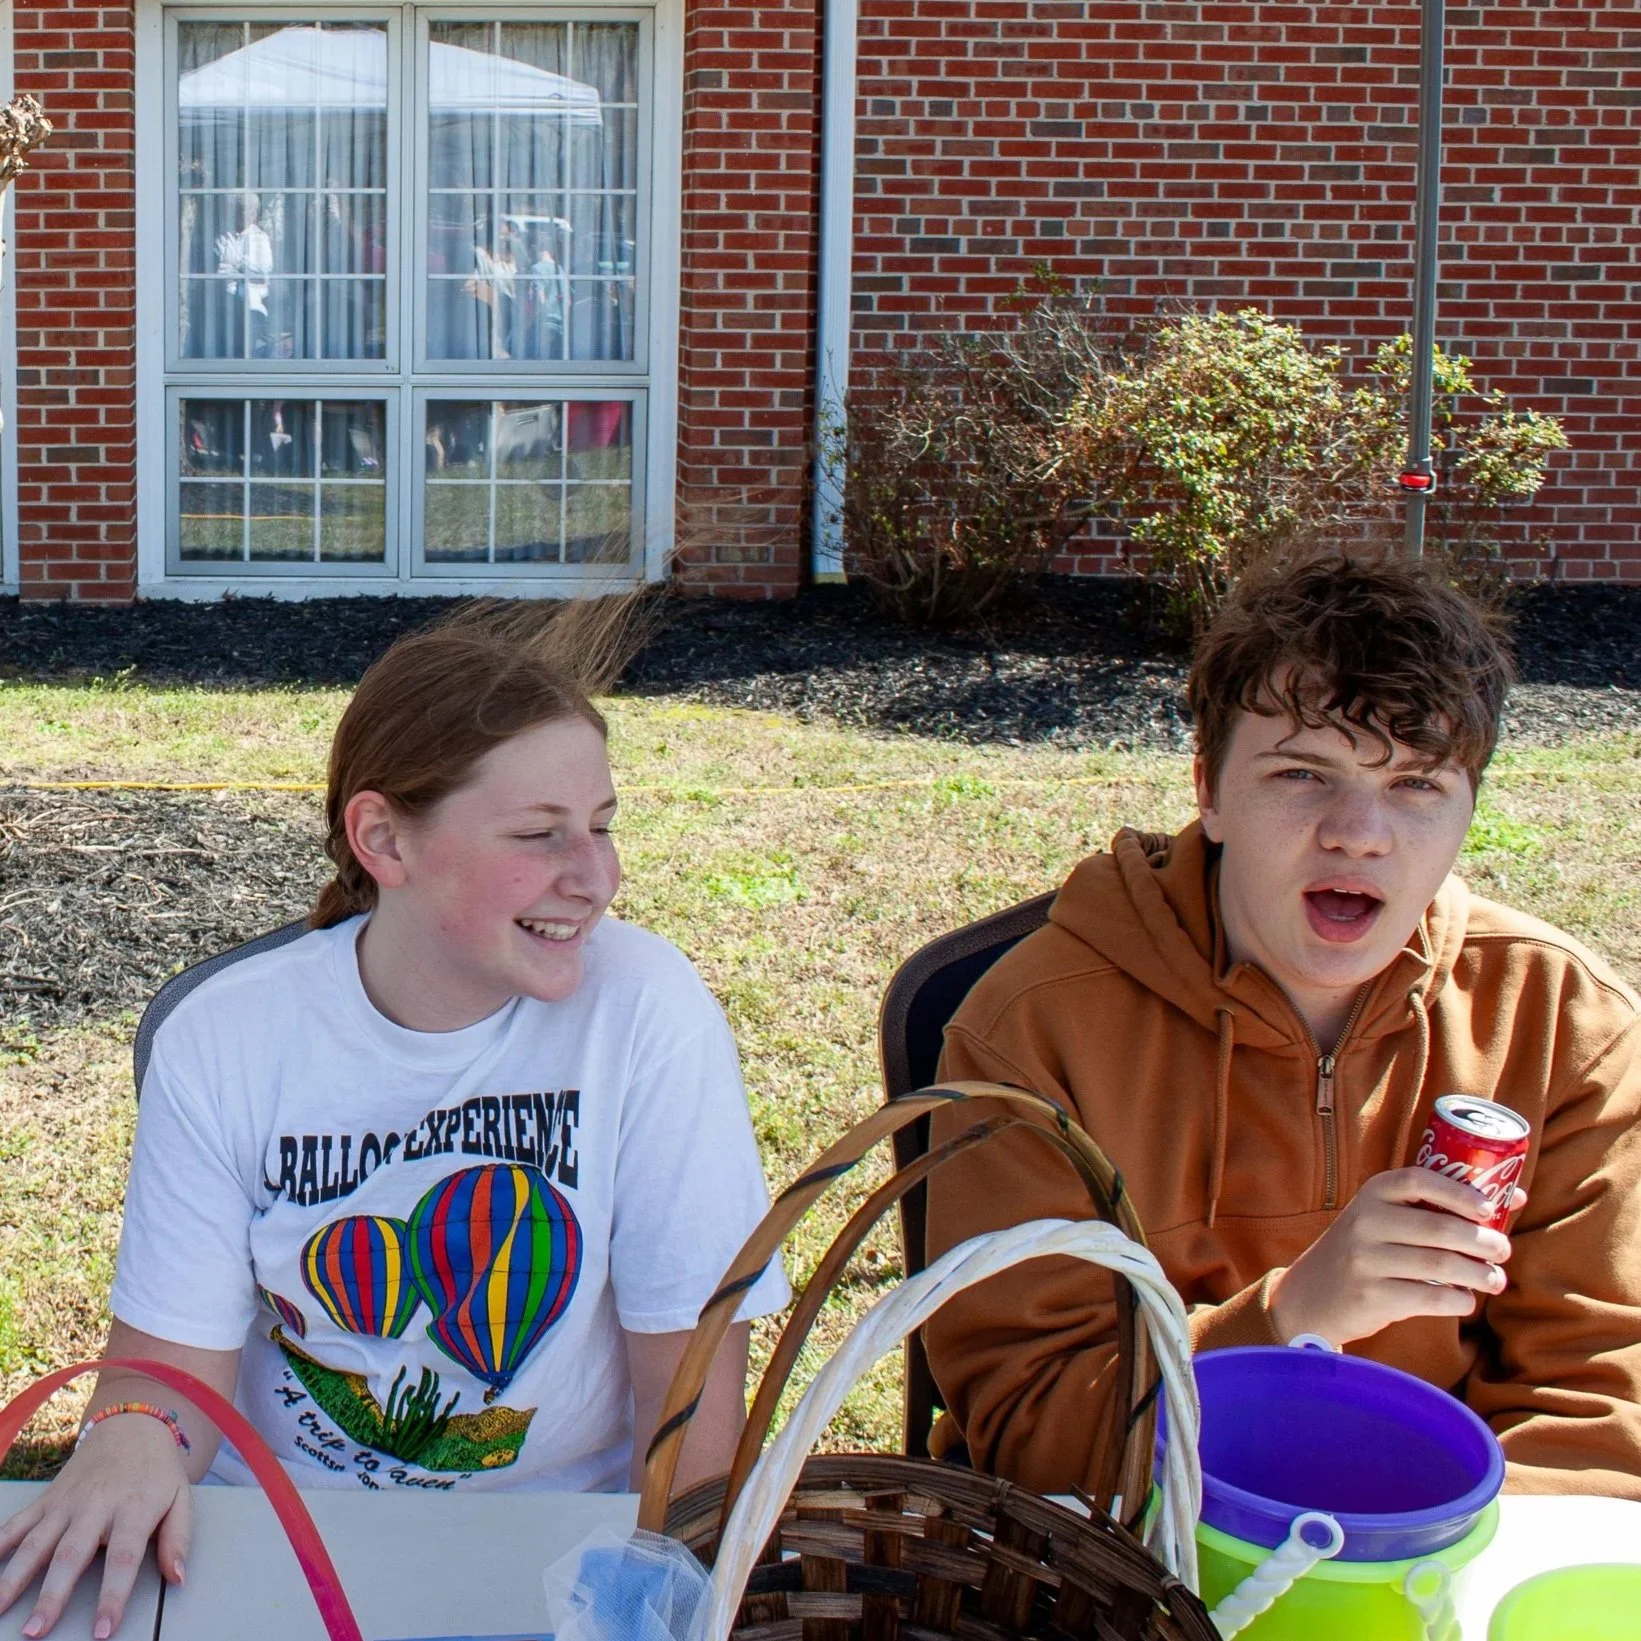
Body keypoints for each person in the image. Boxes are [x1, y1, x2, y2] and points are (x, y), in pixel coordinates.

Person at [0, 600, 788, 1639]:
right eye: (538, 834)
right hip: (272, 1543)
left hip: (558, 1559)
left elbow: (689, 1414)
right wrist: (132, 1437)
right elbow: (167, 1377)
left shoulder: (645, 1010)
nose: (597, 878)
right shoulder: (227, 1034)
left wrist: (672, 1598)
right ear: (383, 838)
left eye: (600, 824)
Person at [923, 553, 1641, 1500]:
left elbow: (1597, 1401)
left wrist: (1430, 1575)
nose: (1357, 831)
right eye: (1303, 773)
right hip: (1135, 1557)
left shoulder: (1561, 1019)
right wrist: (1290, 1315)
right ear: (1209, 791)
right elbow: (1027, 1424)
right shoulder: (1035, 1025)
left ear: (1470, 809)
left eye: (1416, 784)